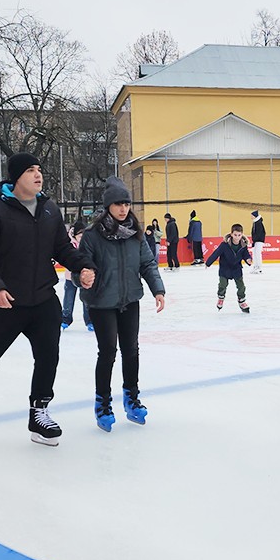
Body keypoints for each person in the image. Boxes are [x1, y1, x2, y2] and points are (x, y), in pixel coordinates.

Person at [0, 152, 96, 448]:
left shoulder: (49, 209)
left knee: (48, 357)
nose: (38, 175)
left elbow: (62, 248)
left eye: (39, 169)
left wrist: (83, 266)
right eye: (31, 170)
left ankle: (39, 412)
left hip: (42, 300)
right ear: (16, 177)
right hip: (4, 302)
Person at [78, 177, 165, 432]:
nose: (123, 208)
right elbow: (79, 266)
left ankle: (132, 397)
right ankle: (102, 403)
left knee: (131, 350)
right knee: (107, 352)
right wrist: (82, 277)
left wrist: (157, 289)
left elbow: (147, 264)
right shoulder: (93, 236)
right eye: (118, 204)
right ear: (108, 206)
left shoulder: (135, 235)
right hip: (102, 303)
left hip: (129, 301)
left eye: (126, 203)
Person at [205, 224, 252, 312]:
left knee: (241, 286)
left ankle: (242, 301)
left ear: (242, 234)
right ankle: (221, 298)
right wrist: (208, 263)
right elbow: (216, 253)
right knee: (223, 285)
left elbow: (246, 254)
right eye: (235, 235)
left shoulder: (243, 245)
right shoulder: (224, 245)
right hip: (225, 268)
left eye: (239, 235)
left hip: (236, 269)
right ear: (231, 234)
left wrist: (248, 259)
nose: (237, 237)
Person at [62, 221, 93, 332]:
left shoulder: (88, 244)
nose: (82, 238)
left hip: (84, 276)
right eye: (80, 236)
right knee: (68, 299)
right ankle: (65, 319)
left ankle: (89, 320)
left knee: (86, 299)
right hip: (70, 277)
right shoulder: (69, 244)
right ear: (75, 235)